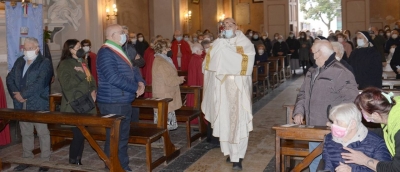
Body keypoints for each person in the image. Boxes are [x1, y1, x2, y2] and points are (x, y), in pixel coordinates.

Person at [292, 40, 359, 172]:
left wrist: (336, 122)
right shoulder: (312, 71)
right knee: (314, 161)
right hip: (314, 127)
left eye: (313, 52)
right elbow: (303, 94)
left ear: (319, 53)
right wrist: (299, 112)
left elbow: (351, 101)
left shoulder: (341, 72)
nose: (312, 56)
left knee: (332, 163)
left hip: (332, 130)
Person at [202, 17, 255, 170]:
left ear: (236, 26)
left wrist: (226, 54)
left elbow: (246, 61)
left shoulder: (244, 42)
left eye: (230, 24)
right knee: (224, 118)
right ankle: (230, 152)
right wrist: (220, 51)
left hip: (237, 87)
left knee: (238, 121)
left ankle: (238, 156)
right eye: (225, 24)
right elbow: (208, 63)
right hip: (222, 88)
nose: (227, 26)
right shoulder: (218, 43)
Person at [96, 24, 145, 172]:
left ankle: (122, 165)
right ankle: (112, 167)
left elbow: (133, 67)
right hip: (113, 102)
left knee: (122, 137)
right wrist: (135, 88)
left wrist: (141, 82)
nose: (125, 35)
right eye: (122, 33)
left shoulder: (119, 50)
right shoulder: (105, 52)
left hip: (122, 100)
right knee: (114, 138)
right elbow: (113, 77)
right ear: (112, 35)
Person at [6, 37, 53, 172]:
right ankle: (27, 158)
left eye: (30, 48)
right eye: (25, 49)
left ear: (37, 48)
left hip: (37, 102)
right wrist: (15, 93)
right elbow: (9, 78)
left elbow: (40, 82)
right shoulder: (20, 61)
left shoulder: (44, 62)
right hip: (21, 104)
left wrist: (23, 94)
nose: (27, 51)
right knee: (25, 132)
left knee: (42, 132)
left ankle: (45, 161)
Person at [57, 40, 97, 166]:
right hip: (74, 105)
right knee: (79, 134)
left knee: (83, 133)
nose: (81, 49)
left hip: (87, 102)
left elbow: (91, 79)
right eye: (78, 47)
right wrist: (79, 74)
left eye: (81, 47)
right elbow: (66, 85)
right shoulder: (64, 64)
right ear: (70, 49)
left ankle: (78, 160)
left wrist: (93, 91)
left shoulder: (82, 62)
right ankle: (73, 161)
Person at [342, 87, 400, 171]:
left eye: (362, 111)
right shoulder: (392, 112)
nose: (361, 114)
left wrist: (364, 160)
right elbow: (384, 132)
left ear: (375, 114)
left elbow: (396, 169)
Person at [322, 103, 391, 172]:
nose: (332, 125)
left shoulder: (376, 143)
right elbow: (328, 166)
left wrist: (352, 170)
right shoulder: (330, 139)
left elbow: (385, 169)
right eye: (333, 122)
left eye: (337, 122)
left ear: (352, 124)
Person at [152, 39, 185, 130]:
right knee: (164, 124)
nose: (170, 49)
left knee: (165, 123)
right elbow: (169, 80)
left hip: (166, 93)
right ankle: (164, 142)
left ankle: (165, 141)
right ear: (163, 50)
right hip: (164, 95)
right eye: (169, 48)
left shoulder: (164, 59)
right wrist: (180, 79)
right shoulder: (161, 62)